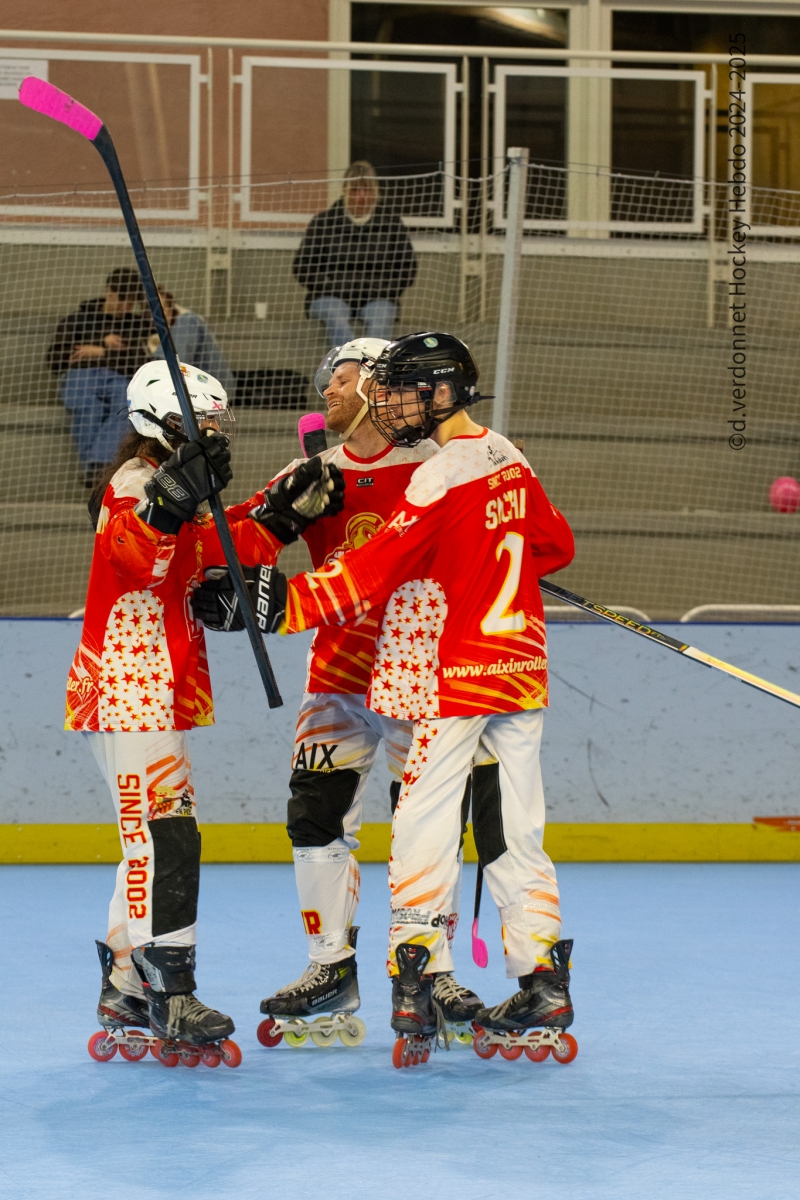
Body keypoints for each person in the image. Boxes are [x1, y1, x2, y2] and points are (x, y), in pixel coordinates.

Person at [250, 332, 577, 1061]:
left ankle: (417, 974)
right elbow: (554, 549)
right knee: (517, 833)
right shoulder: (511, 456)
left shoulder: (435, 476)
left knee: (423, 823)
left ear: (438, 393)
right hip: (520, 671)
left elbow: (370, 570)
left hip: (451, 674)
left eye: (402, 389)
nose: (389, 401)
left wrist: (282, 607)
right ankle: (541, 978)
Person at [191, 338, 483, 1041]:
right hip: (340, 674)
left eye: (344, 380)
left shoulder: (440, 468)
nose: (329, 391)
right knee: (315, 817)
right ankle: (331, 967)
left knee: (432, 823)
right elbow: (226, 553)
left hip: (421, 676)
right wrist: (269, 517)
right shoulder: (312, 471)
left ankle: (431, 967)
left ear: (384, 386)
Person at [68, 359, 344, 1055]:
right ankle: (171, 994)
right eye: (205, 419)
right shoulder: (134, 485)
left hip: (156, 690)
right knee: (164, 842)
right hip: (130, 686)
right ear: (166, 419)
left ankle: (128, 984)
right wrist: (173, 496)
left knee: (152, 842)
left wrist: (281, 513)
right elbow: (142, 560)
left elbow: (216, 549)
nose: (217, 431)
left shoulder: (176, 489)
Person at [293, 162, 417, 346]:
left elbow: (407, 268)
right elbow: (302, 267)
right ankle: (351, 367)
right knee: (334, 315)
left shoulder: (391, 224)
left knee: (381, 318)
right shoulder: (323, 223)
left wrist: (380, 289)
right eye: (355, 190)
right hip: (330, 296)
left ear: (375, 192)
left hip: (378, 298)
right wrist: (331, 285)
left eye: (367, 190)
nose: (361, 196)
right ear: (344, 191)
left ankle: (371, 371)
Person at [48, 267, 151, 487]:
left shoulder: (135, 325)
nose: (126, 306)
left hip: (118, 377)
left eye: (131, 301)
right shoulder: (78, 319)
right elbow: (54, 360)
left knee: (126, 405)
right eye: (122, 298)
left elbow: (140, 364)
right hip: (81, 376)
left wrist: (100, 351)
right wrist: (104, 342)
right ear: (108, 292)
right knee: (88, 406)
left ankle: (95, 464)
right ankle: (98, 466)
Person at [148, 287, 234, 394]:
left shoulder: (187, 322)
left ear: (170, 307)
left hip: (210, 391)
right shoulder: (182, 323)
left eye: (160, 308)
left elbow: (174, 361)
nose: (154, 315)